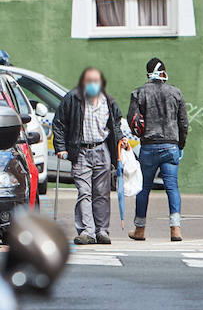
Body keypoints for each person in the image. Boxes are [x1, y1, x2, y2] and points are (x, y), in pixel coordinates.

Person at [52, 67, 126, 245]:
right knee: (84, 192)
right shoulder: (73, 98)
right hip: (81, 151)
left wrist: (121, 139)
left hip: (102, 150)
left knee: (102, 193)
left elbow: (115, 124)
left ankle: (102, 230)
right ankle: (87, 231)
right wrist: (61, 148)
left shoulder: (108, 101)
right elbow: (59, 123)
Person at [127, 57, 189, 242]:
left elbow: (133, 120)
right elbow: (184, 122)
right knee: (172, 187)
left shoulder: (138, 93)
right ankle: (175, 229)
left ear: (148, 73)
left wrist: (141, 134)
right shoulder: (175, 93)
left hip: (149, 147)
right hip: (171, 146)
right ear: (164, 72)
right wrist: (180, 145)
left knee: (143, 188)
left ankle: (140, 230)